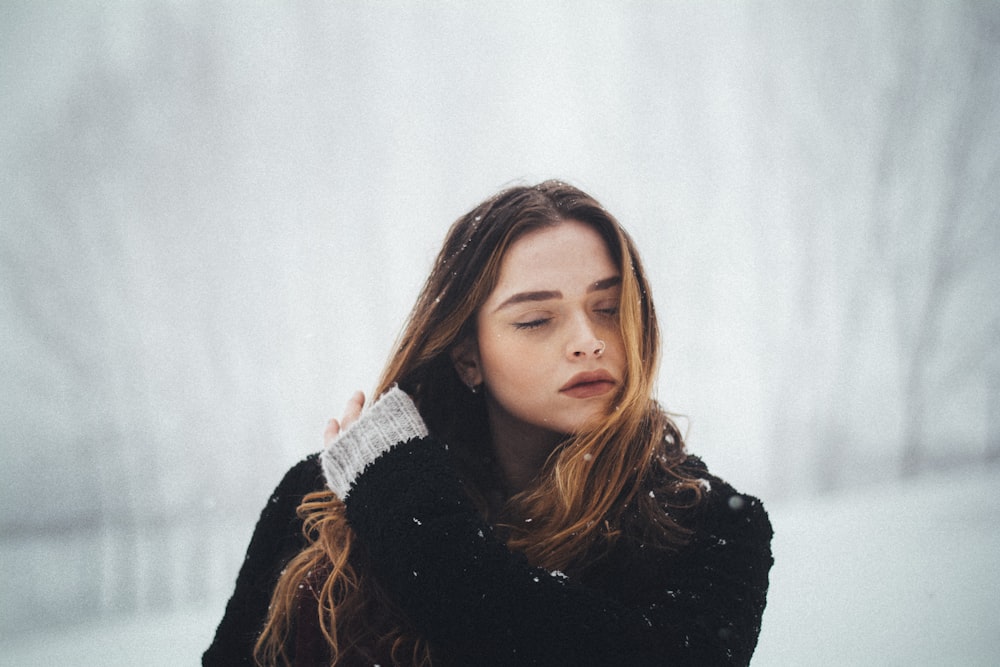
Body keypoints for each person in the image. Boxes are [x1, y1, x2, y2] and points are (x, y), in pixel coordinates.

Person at [204, 180, 773, 666]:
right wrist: (385, 491)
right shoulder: (327, 498)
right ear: (468, 356)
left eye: (608, 308)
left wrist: (407, 510)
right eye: (534, 320)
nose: (589, 342)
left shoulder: (712, 530)